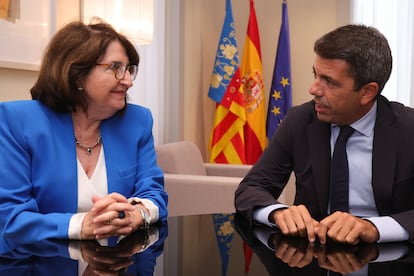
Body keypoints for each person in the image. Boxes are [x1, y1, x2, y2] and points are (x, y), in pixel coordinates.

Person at [235, 24, 414, 245]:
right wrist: (277, 212)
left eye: (329, 81)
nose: (314, 89)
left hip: (390, 259)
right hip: (310, 256)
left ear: (368, 92)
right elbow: (251, 188)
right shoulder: (299, 121)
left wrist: (375, 227)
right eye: (316, 75)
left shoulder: (408, 128)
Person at [0, 20, 168, 250]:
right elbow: (10, 217)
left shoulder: (137, 122)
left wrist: (137, 213)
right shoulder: (17, 121)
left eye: (129, 69)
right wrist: (81, 225)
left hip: (118, 261)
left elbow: (154, 192)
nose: (128, 81)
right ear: (78, 75)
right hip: (37, 262)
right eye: (115, 68)